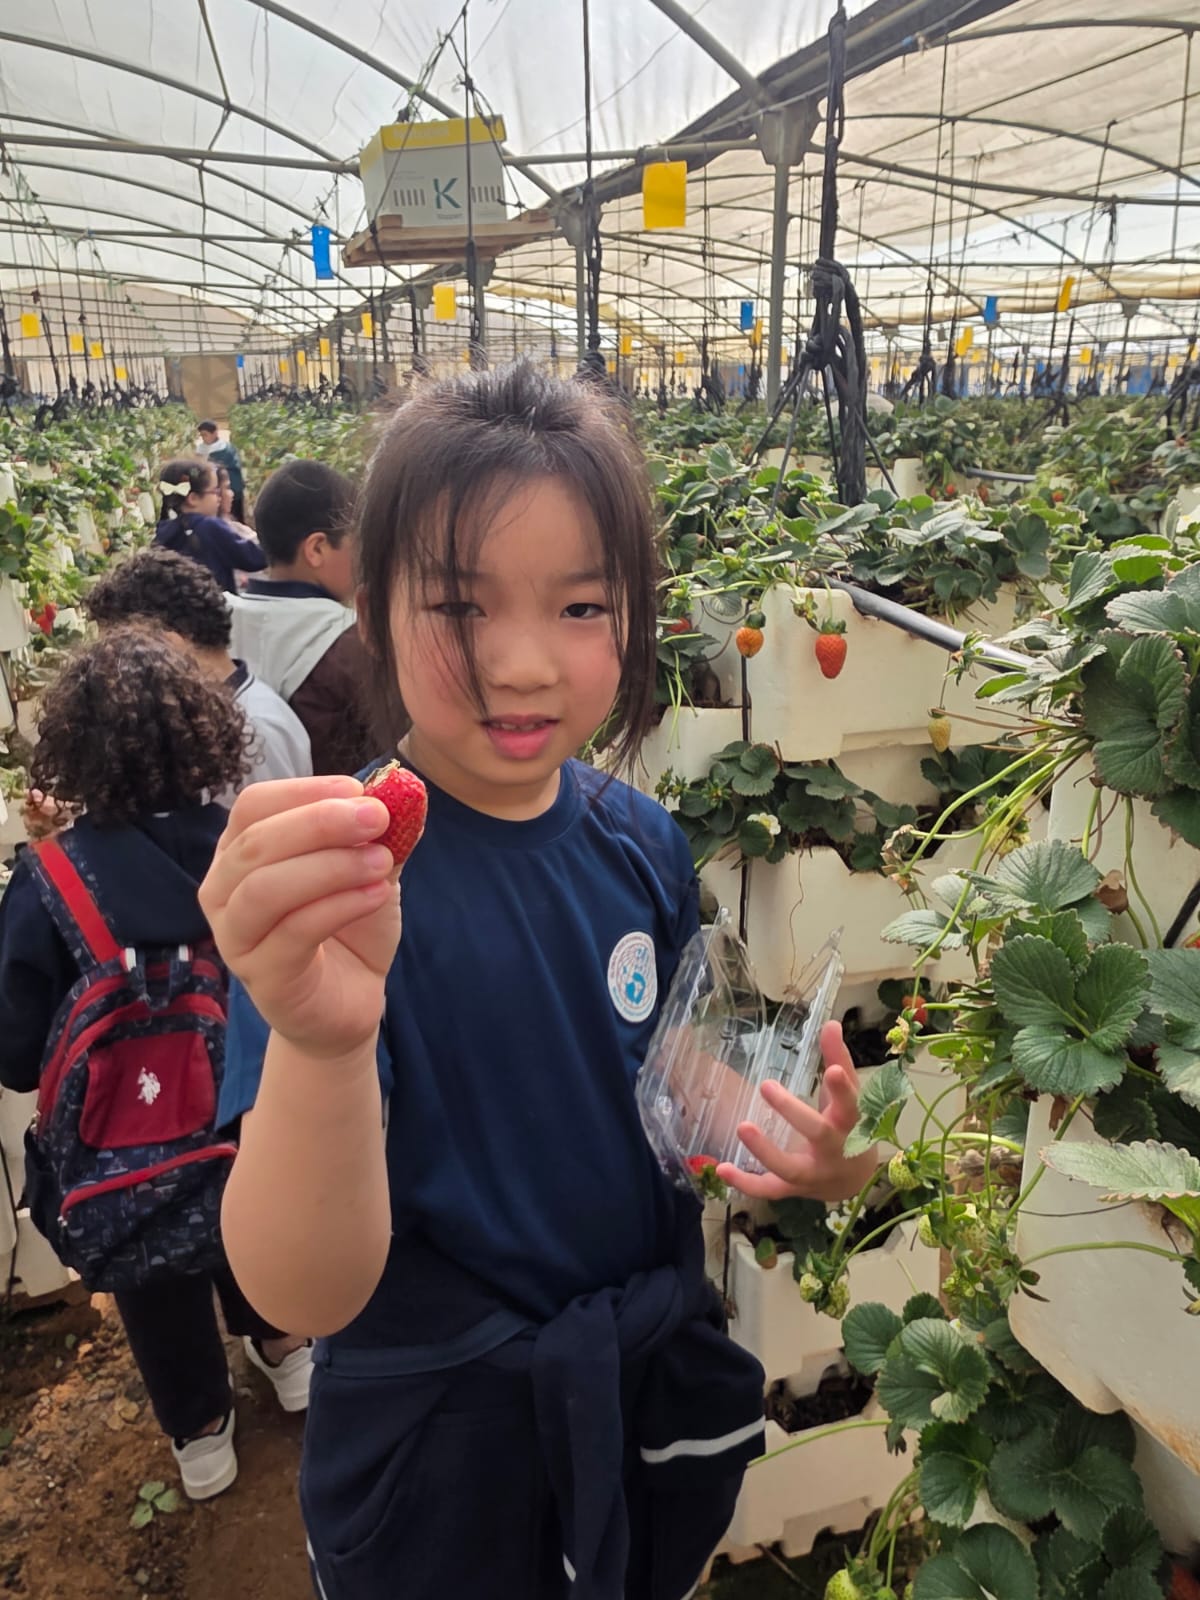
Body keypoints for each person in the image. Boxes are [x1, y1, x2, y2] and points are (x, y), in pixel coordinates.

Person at [200, 363, 876, 1600]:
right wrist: (321, 1041)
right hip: (447, 1455)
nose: (521, 666)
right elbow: (301, 1290)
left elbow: (655, 1057)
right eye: (461, 606)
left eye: (579, 605)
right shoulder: (341, 886)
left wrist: (787, 1139)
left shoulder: (640, 838)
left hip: (627, 1400)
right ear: (371, 611)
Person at [0, 628, 313, 1500]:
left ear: (76, 747)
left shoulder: (52, 881)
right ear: (205, 732)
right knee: (247, 1213)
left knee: (149, 1263)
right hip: (246, 1122)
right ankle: (287, 1351)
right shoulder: (247, 850)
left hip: (121, 1148)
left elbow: (17, 1054)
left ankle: (200, 1432)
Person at [85, 549, 313, 787]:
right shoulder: (215, 714)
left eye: (123, 655)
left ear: (168, 644)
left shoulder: (252, 731)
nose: (117, 675)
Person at [226, 459, 376, 775]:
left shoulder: (224, 622)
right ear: (316, 549)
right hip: (337, 801)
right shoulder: (350, 641)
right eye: (358, 543)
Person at [154, 457, 266, 594]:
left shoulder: (162, 530)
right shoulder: (210, 527)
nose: (219, 498)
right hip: (212, 603)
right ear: (193, 498)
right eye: (215, 492)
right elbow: (253, 558)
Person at [198, 420, 247, 523]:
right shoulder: (200, 450)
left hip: (229, 490)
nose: (203, 438)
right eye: (201, 435)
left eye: (205, 435)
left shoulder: (226, 450)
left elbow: (234, 471)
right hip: (212, 493)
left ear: (215, 433)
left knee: (234, 518)